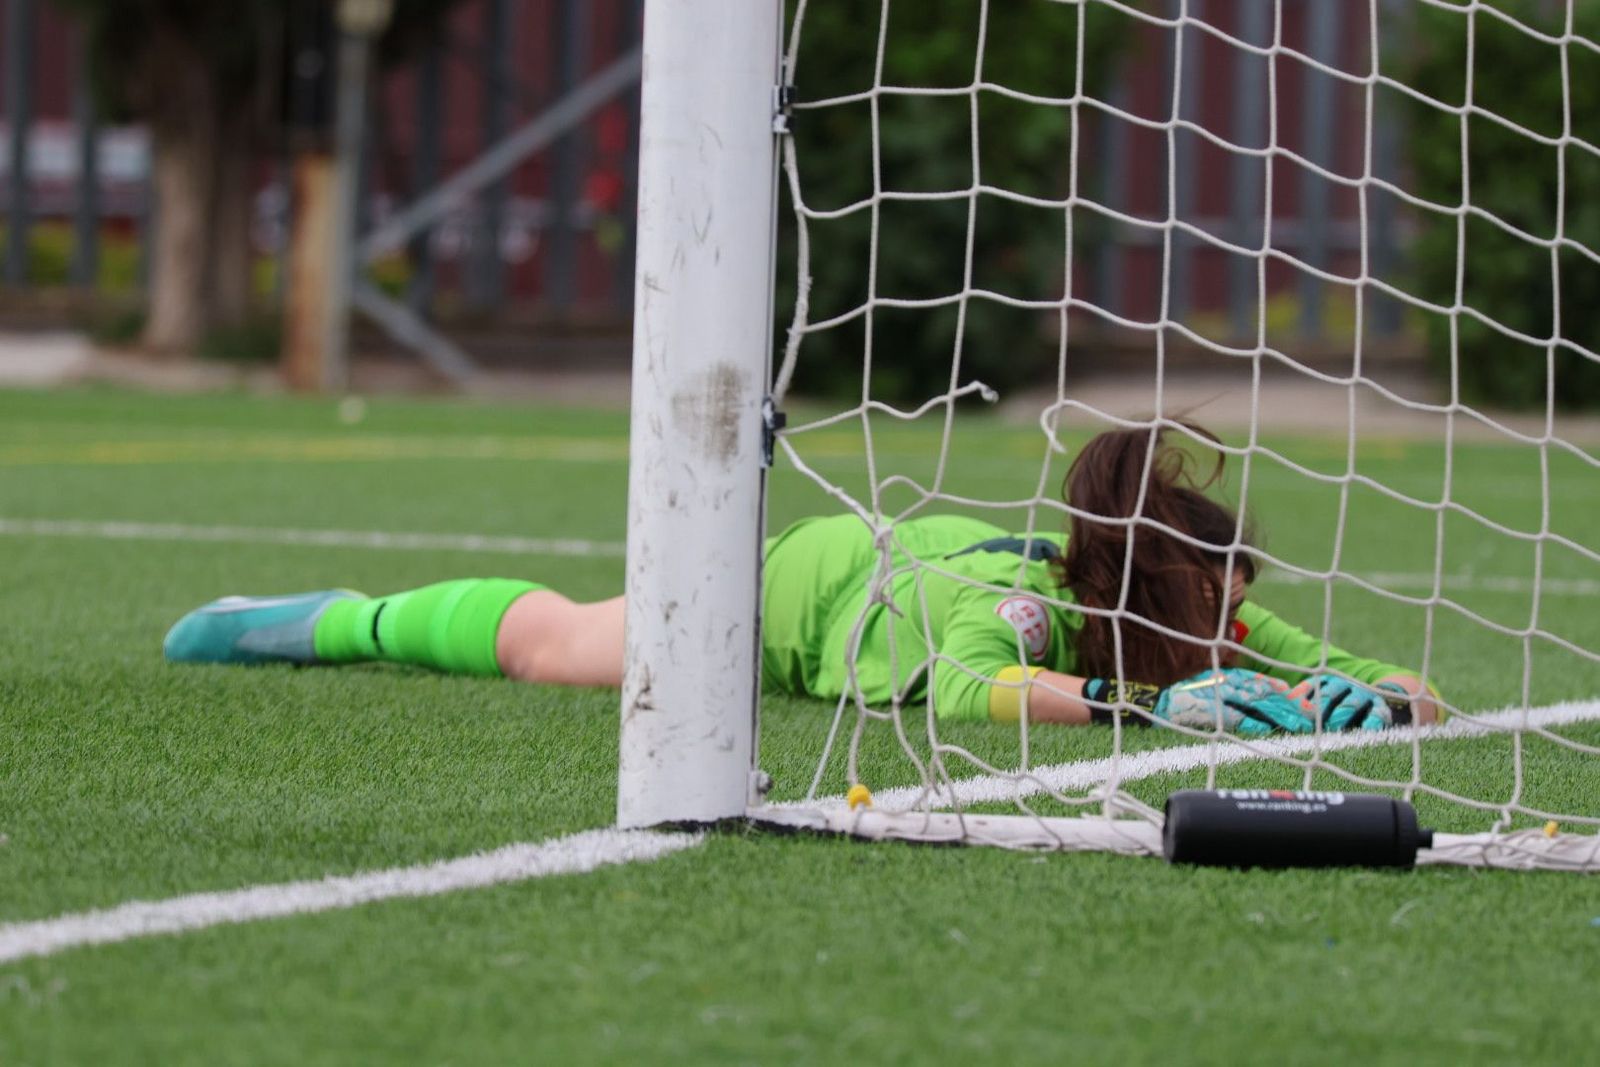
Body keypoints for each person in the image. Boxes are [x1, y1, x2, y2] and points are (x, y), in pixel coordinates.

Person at [164, 423, 1439, 735]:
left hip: (886, 560)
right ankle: (317, 622)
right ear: (1153, 604)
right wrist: (1143, 710)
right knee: (555, 648)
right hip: (801, 592)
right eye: (1219, 599)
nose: (1239, 621)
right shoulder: (1014, 618)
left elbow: (1348, 671)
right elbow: (970, 696)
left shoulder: (1210, 613)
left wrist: (1378, 688)